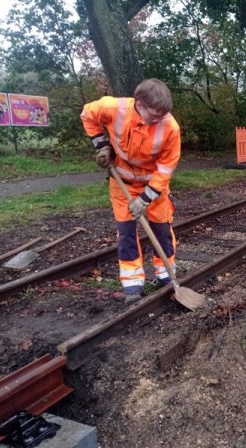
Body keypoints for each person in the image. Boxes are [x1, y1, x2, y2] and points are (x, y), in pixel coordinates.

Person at [80, 79, 181, 303]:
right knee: (126, 230)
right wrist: (102, 145)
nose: (159, 120)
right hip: (122, 182)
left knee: (162, 228)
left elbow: (165, 170)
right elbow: (88, 115)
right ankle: (132, 283)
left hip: (154, 186)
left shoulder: (170, 127)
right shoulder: (113, 108)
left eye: (162, 115)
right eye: (154, 115)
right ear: (139, 104)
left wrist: (145, 199)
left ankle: (166, 275)